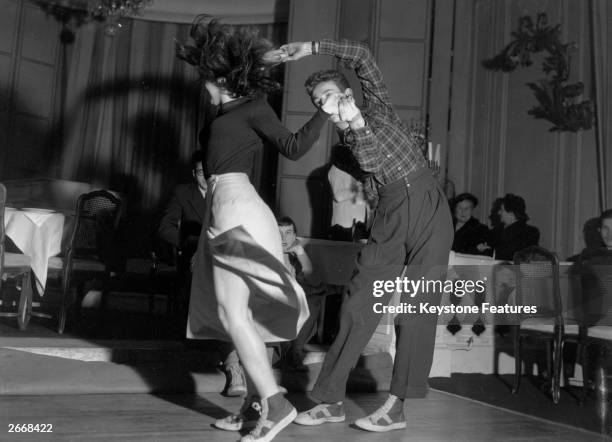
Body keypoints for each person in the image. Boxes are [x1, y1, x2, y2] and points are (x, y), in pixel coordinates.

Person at [269, 39, 453, 432]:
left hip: (426, 204)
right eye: (318, 102)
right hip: (389, 212)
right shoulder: (348, 145)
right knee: (357, 305)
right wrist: (354, 125)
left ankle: (396, 408)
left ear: (348, 93)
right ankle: (329, 400)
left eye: (330, 95)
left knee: (417, 311)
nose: (325, 105)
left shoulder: (379, 109)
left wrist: (313, 47)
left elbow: (364, 58)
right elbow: (369, 160)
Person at [176, 17, 328, 442]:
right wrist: (262, 56)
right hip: (221, 206)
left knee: (233, 312)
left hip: (238, 208)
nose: (203, 82)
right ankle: (256, 404)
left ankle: (274, 403)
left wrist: (324, 111)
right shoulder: (223, 111)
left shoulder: (253, 107)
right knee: (237, 314)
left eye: (210, 76)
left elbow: (294, 148)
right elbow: (236, 65)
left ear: (223, 76)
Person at [158, 150, 246, 398]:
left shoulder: (227, 194)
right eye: (200, 172)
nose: (205, 177)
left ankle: (239, 358)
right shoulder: (183, 193)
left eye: (208, 172)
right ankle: (231, 362)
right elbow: (165, 228)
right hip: (194, 257)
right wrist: (195, 246)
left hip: (227, 257)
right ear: (193, 173)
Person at [278, 217, 325, 370]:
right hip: (271, 309)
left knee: (313, 298)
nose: (283, 238)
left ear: (295, 236)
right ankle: (290, 352)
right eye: (278, 233)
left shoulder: (295, 256)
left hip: (289, 314)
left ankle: (296, 351)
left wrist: (300, 252)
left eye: (288, 232)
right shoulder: (269, 252)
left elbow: (314, 281)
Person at [479, 193, 540, 260]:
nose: (499, 212)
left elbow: (512, 255)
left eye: (502, 210)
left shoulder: (529, 232)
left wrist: (489, 251)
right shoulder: (497, 230)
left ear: (511, 213)